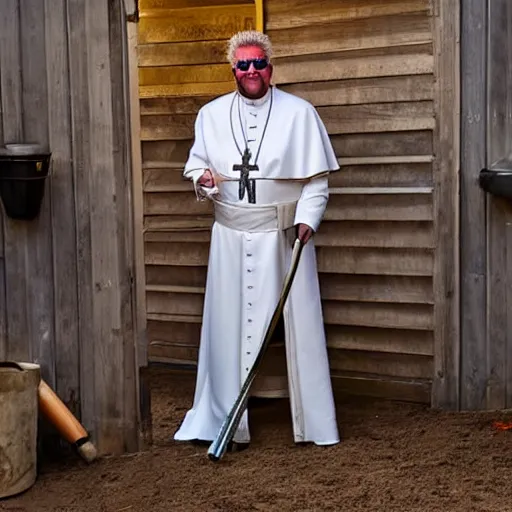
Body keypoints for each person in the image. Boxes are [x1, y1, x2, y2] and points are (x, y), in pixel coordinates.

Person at [174, 30, 340, 448]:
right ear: (234, 69)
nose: (251, 71)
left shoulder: (300, 114)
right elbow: (196, 168)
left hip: (283, 237)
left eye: (258, 64)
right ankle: (224, 417)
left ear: (271, 67)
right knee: (228, 325)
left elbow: (316, 180)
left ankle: (315, 424)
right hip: (229, 238)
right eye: (243, 65)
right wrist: (206, 181)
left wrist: (308, 220)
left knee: (298, 326)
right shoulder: (210, 115)